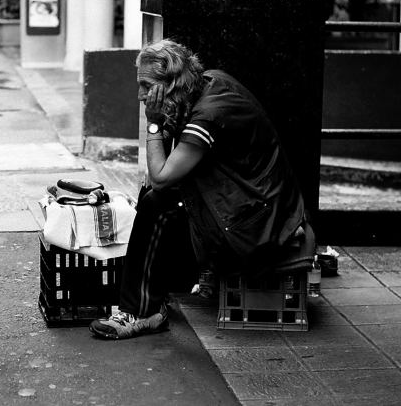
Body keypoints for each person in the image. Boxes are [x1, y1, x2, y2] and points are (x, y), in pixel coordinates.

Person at [89, 39, 315, 340]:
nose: (142, 95)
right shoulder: (210, 82)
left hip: (258, 224)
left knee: (159, 201)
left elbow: (160, 176)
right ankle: (154, 295)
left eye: (147, 85)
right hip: (255, 204)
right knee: (156, 197)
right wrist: (166, 124)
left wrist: (154, 125)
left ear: (172, 84)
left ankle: (142, 312)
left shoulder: (209, 114)